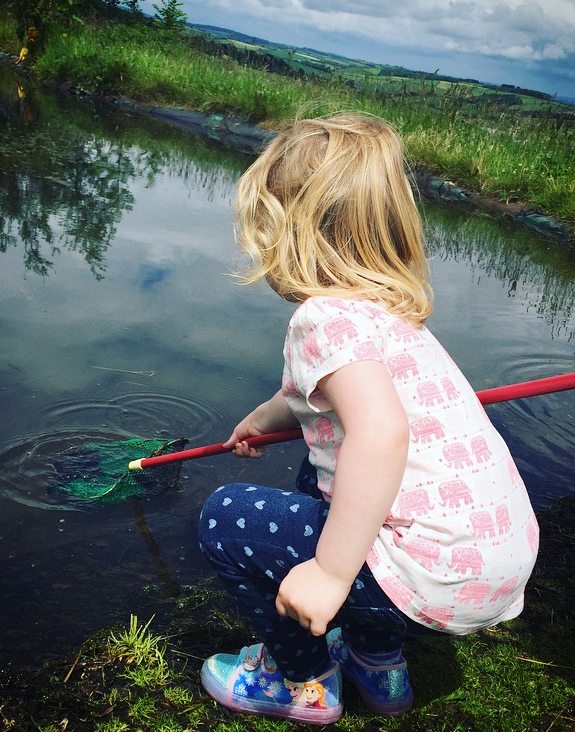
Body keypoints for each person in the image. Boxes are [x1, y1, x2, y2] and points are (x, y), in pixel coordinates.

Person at [198, 113, 540, 725]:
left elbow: (381, 431)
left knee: (225, 517)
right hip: (493, 570)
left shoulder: (322, 319)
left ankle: (301, 680)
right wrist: (262, 416)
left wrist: (329, 573)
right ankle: (378, 667)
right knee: (323, 461)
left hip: (427, 580)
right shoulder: (391, 317)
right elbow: (317, 401)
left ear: (290, 234)